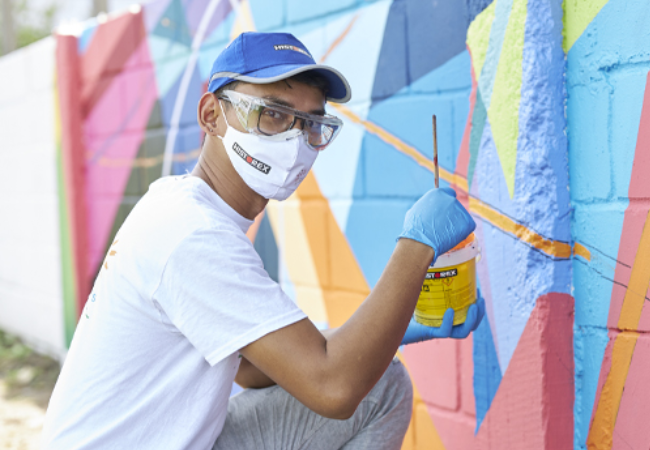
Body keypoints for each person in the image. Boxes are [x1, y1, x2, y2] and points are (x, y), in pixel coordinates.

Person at [42, 32, 484, 450]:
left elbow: (252, 369)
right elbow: (334, 389)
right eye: (272, 114)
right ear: (212, 115)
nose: (295, 141)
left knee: (380, 378)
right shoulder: (193, 234)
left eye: (311, 123)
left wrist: (395, 331)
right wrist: (417, 245)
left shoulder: (183, 208)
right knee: (376, 390)